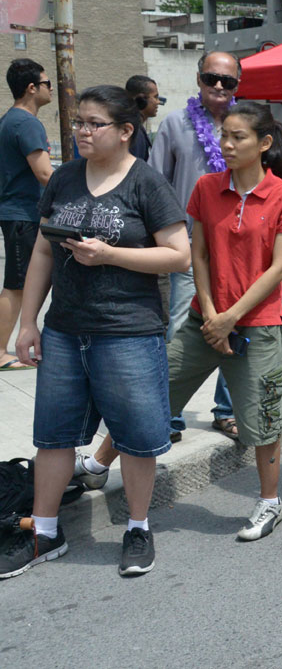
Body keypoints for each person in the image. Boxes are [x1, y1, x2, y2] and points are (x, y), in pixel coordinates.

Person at [87, 102, 282, 540]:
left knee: (263, 418)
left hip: (258, 326)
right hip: (203, 322)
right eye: (224, 135)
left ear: (264, 143)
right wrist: (210, 313)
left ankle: (269, 501)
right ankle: (95, 465)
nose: (227, 144)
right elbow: (198, 254)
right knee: (153, 395)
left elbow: (280, 267)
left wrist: (231, 318)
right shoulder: (207, 187)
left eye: (238, 137)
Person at [3, 85, 188, 579]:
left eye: (93, 123)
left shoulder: (147, 183)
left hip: (128, 333)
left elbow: (178, 255)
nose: (82, 131)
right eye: (79, 122)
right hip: (65, 331)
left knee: (137, 439)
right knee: (54, 436)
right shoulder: (64, 177)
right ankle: (44, 532)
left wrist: (109, 255)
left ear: (125, 131)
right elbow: (43, 250)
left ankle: (138, 528)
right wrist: (28, 322)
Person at [150, 51, 241, 439]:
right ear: (199, 79)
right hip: (188, 245)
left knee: (237, 326)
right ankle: (168, 413)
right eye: (210, 78)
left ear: (238, 85)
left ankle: (227, 409)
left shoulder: (245, 125)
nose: (218, 85)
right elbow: (155, 184)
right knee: (180, 327)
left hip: (237, 245)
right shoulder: (175, 123)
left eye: (227, 80)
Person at [0, 59, 54, 371]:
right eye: (47, 83)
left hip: (16, 212)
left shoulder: (10, 120)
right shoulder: (26, 123)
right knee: (18, 284)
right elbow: (45, 173)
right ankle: (0, 352)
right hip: (22, 213)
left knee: (23, 281)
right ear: (32, 88)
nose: (51, 89)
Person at [124, 75, 162, 162]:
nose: (158, 102)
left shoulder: (133, 127)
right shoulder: (134, 132)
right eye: (155, 97)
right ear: (141, 100)